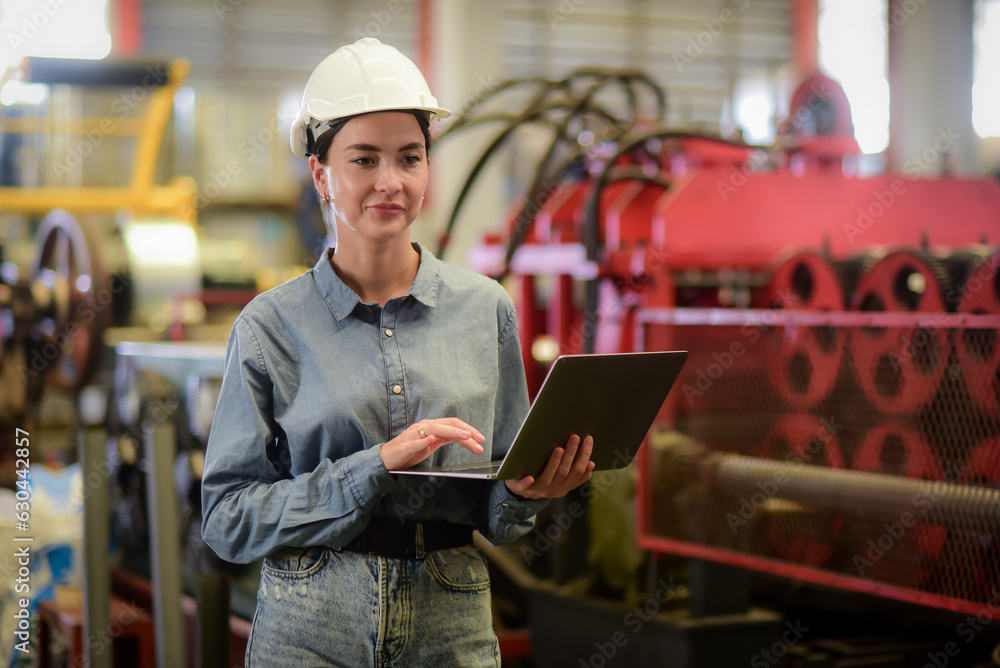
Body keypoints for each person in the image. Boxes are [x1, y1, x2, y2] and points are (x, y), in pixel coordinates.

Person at [201, 37, 595, 667]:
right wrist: (374, 465)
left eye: (409, 158)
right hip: (310, 621)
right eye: (364, 159)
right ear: (321, 173)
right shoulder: (269, 326)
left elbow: (498, 514)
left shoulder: (485, 309)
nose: (390, 182)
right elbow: (227, 519)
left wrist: (528, 492)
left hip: (452, 616)